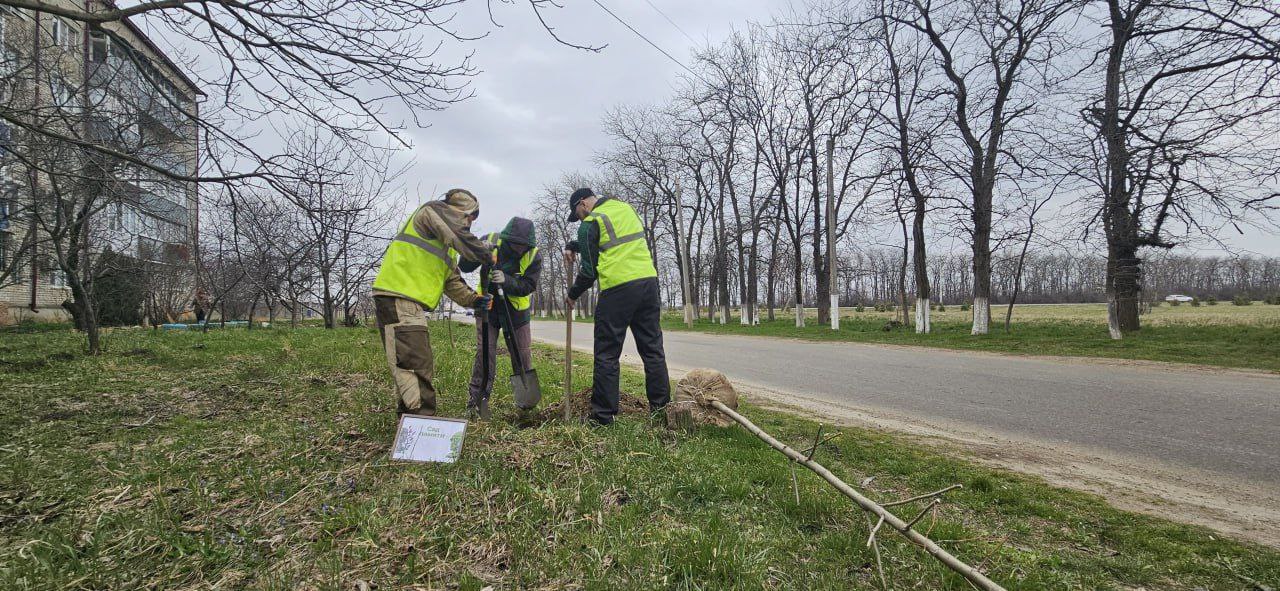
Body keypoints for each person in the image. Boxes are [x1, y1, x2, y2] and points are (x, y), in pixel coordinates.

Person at [371, 189, 494, 417]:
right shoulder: (430, 212)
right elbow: (463, 239)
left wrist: (475, 300)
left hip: (408, 303)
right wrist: (486, 252)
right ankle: (420, 426)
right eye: (468, 217)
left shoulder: (444, 245)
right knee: (414, 366)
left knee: (413, 364)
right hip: (399, 297)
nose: (468, 224)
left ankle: (409, 423)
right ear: (457, 211)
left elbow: (453, 282)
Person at [564, 188, 670, 425]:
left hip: (618, 290)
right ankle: (661, 411)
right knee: (653, 350)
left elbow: (589, 271)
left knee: (607, 354)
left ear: (583, 204)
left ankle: (602, 417)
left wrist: (573, 295)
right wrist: (575, 243)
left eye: (577, 214)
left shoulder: (590, 221)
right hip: (648, 284)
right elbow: (613, 241)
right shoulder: (625, 209)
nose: (579, 218)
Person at [460, 216, 542, 419]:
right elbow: (465, 266)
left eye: (524, 246)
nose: (520, 249)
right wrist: (478, 249)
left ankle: (526, 405)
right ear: (507, 238)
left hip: (516, 314)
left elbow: (528, 286)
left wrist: (507, 281)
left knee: (522, 356)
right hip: (487, 308)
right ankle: (477, 402)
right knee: (485, 355)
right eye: (516, 244)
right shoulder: (490, 240)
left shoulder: (534, 254)